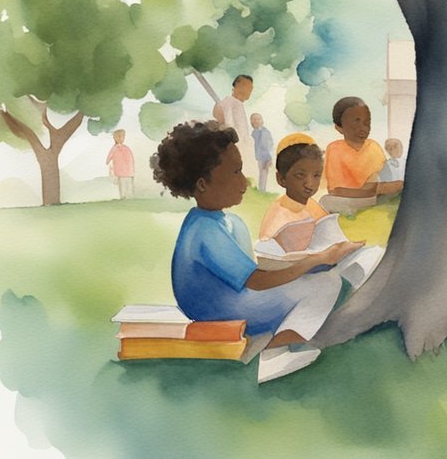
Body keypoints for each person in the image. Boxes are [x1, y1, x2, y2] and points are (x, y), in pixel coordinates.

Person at [152, 120, 359, 382]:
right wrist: (314, 261)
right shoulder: (204, 231)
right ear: (203, 184)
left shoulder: (230, 223)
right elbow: (257, 280)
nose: (244, 181)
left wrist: (309, 261)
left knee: (317, 279)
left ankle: (278, 341)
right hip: (216, 309)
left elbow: (254, 270)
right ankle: (274, 354)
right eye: (235, 172)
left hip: (235, 297)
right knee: (325, 285)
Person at [321, 97, 402, 214]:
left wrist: (385, 188)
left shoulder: (374, 147)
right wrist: (377, 189)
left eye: (366, 122)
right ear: (339, 128)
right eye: (356, 121)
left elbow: (384, 177)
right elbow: (336, 191)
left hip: (375, 198)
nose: (363, 127)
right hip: (351, 200)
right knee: (326, 201)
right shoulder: (334, 149)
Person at [259, 133, 330, 240]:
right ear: (281, 179)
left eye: (316, 175)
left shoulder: (312, 206)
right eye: (300, 175)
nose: (310, 183)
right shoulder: (277, 217)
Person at [213, 74, 254, 172]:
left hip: (242, 144)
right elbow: (229, 124)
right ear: (236, 87)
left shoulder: (237, 103)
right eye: (246, 87)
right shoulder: (229, 101)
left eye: (250, 89)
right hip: (235, 144)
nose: (249, 91)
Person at [106, 129, 135, 199]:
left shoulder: (126, 148)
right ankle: (124, 197)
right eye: (119, 136)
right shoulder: (114, 148)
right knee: (123, 186)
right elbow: (108, 159)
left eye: (123, 136)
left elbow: (131, 159)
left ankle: (129, 197)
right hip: (120, 171)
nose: (121, 138)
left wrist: (132, 169)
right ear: (115, 138)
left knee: (129, 186)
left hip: (129, 171)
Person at [250, 113, 274, 193]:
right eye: (254, 119)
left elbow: (269, 145)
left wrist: (270, 158)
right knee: (259, 173)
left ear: (261, 121)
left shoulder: (265, 132)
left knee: (263, 173)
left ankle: (262, 190)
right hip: (257, 157)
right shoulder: (254, 132)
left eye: (258, 119)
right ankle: (260, 189)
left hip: (265, 157)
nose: (256, 121)